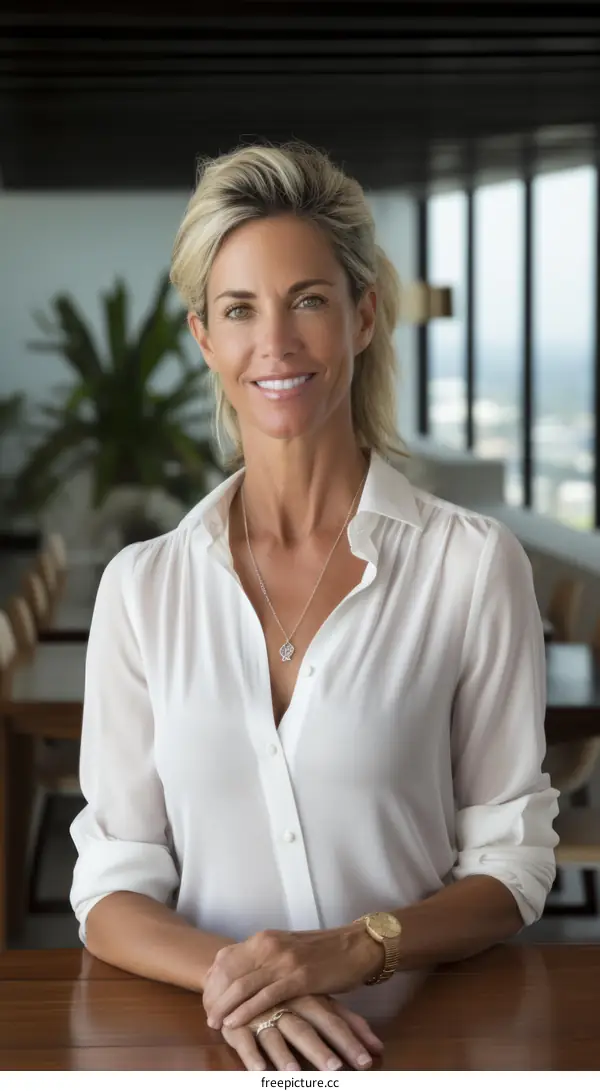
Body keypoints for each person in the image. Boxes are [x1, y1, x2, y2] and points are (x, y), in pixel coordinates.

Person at [69, 141, 559, 1073]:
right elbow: (113, 882)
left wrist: (353, 946)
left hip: (420, 1048)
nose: (277, 344)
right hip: (208, 1049)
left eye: (309, 301)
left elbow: (512, 865)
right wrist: (245, 981)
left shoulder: (471, 565)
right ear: (204, 337)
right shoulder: (142, 588)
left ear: (364, 314)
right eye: (241, 310)